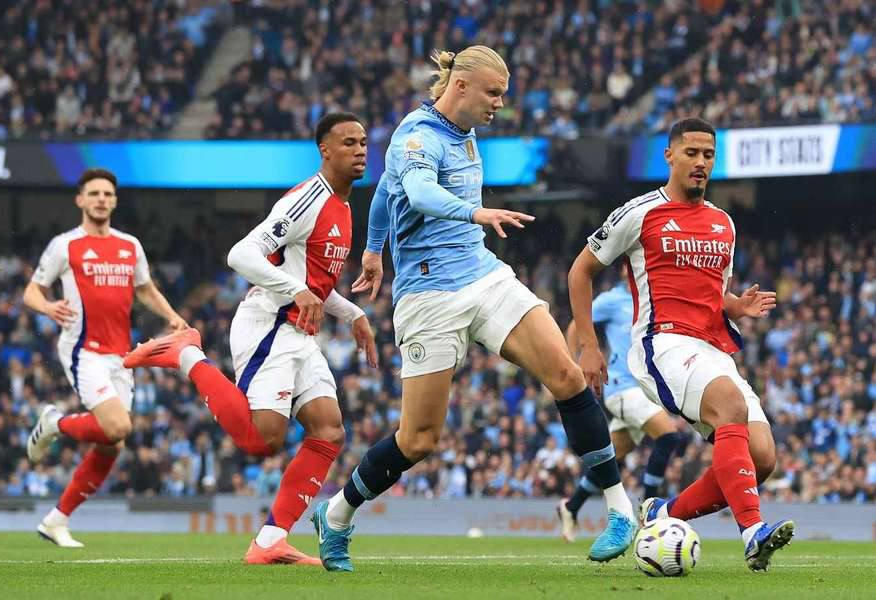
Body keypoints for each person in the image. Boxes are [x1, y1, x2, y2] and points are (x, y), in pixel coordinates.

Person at [311, 46, 637, 573]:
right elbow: (416, 191)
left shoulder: (465, 134)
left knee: (567, 375)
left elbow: (385, 191)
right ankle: (338, 514)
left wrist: (372, 249)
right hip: (428, 296)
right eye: (493, 93)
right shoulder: (417, 136)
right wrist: (474, 213)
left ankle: (620, 510)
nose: (499, 104)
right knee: (419, 439)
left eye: (503, 94)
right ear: (460, 87)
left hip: (483, 275)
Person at [124, 113, 377, 566]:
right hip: (269, 325)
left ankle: (269, 542)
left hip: (299, 332)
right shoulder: (307, 199)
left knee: (329, 429)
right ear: (324, 150)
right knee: (263, 440)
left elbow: (314, 283)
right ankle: (187, 354)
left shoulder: (342, 207)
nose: (360, 150)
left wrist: (352, 312)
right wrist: (295, 291)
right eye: (348, 143)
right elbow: (240, 254)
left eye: (363, 142)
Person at [568, 117, 795, 572]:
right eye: (691, 153)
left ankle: (661, 513)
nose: (700, 162)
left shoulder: (723, 223)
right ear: (669, 156)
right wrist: (589, 347)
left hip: (714, 349)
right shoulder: (639, 213)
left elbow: (713, 293)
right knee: (730, 405)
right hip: (663, 343)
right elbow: (580, 271)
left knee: (762, 458)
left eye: (708, 155)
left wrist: (736, 306)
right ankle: (752, 532)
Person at [25, 168, 188, 547]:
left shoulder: (130, 245)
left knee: (112, 443)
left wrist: (171, 316)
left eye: (108, 194)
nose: (101, 199)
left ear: (115, 201)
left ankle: (55, 521)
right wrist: (47, 307)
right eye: (94, 193)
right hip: (84, 350)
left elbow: (145, 289)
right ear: (80, 200)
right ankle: (55, 422)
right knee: (117, 427)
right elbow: (32, 291)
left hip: (121, 354)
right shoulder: (65, 245)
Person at [558, 262, 680, 542]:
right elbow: (577, 324)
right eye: (629, 264)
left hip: (646, 390)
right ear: (624, 270)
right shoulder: (612, 300)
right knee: (668, 436)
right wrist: (572, 361)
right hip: (622, 388)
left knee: (611, 457)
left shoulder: (653, 298)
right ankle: (650, 515)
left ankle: (571, 506)